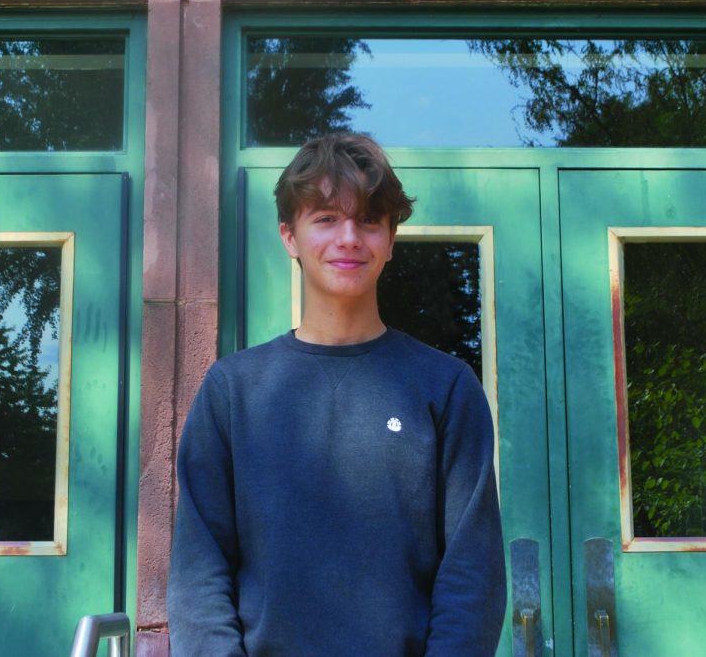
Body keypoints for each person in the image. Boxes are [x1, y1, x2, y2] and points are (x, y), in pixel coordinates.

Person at [167, 133, 506, 656]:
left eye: (368, 219)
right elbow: (199, 567)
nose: (348, 238)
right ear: (289, 236)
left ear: (391, 239)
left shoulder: (446, 387)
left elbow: (472, 575)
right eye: (325, 218)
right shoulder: (233, 391)